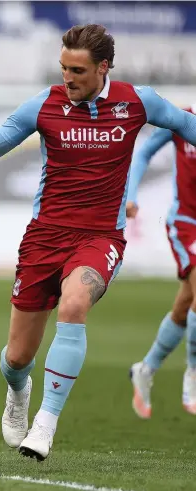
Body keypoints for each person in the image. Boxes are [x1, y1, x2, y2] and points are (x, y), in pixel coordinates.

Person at [0, 24, 196, 461]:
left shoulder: (138, 101)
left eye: (78, 70)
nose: (68, 78)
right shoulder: (45, 104)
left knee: (75, 303)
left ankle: (45, 424)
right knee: (18, 356)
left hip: (101, 236)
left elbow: (183, 123)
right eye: (63, 68)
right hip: (44, 238)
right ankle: (18, 391)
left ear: (104, 68)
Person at [126, 104, 196, 418]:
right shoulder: (181, 119)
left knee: (185, 305)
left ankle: (146, 368)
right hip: (186, 222)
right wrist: (131, 194)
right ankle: (193, 375)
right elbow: (142, 154)